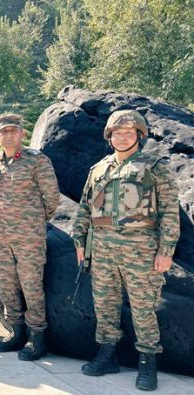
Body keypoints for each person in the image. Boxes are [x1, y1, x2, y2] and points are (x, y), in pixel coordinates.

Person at [72, 110, 180, 391]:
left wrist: (166, 251)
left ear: (139, 135)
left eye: (128, 133)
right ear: (110, 136)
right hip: (103, 249)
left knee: (144, 307)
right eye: (117, 133)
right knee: (104, 305)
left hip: (141, 250)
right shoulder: (99, 168)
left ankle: (148, 362)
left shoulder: (155, 165)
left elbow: (170, 211)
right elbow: (86, 207)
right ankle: (107, 355)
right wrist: (80, 242)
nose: (122, 137)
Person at [0, 114, 60, 361]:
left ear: (22, 134)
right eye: (4, 131)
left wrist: (34, 222)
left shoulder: (37, 161)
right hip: (3, 238)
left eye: (13, 131)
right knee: (7, 286)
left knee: (31, 287)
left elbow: (51, 198)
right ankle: (16, 332)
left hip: (29, 238)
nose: (8, 135)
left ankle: (37, 337)